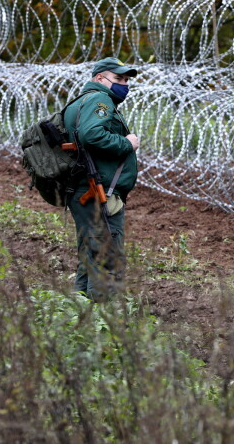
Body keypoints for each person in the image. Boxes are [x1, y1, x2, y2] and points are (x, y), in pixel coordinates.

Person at [63, 57, 140, 300]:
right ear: (99, 79)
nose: (124, 84)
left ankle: (81, 311)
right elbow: (91, 135)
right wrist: (127, 144)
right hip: (98, 192)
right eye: (118, 79)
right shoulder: (99, 99)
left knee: (91, 253)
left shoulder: (81, 101)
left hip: (84, 189)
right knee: (108, 257)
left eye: (126, 80)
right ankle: (103, 319)